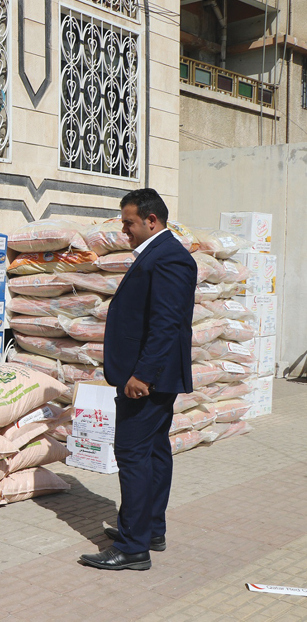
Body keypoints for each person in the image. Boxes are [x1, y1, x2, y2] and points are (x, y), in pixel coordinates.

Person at [81, 188, 197, 571]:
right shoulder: (157, 255)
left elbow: (166, 323)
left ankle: (133, 547)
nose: (124, 231)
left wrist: (142, 375)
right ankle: (149, 528)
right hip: (153, 376)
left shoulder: (168, 259)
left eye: (129, 223)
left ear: (152, 220)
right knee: (154, 452)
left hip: (149, 379)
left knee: (132, 454)